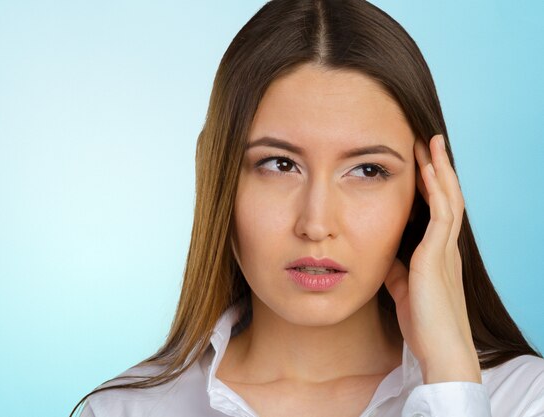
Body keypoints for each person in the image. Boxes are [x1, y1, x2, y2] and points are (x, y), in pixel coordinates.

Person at [71, 1, 544, 416]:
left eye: (367, 171)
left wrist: (451, 385)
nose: (316, 224)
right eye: (279, 164)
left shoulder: (523, 398)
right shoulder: (123, 411)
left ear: (429, 191)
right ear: (217, 178)